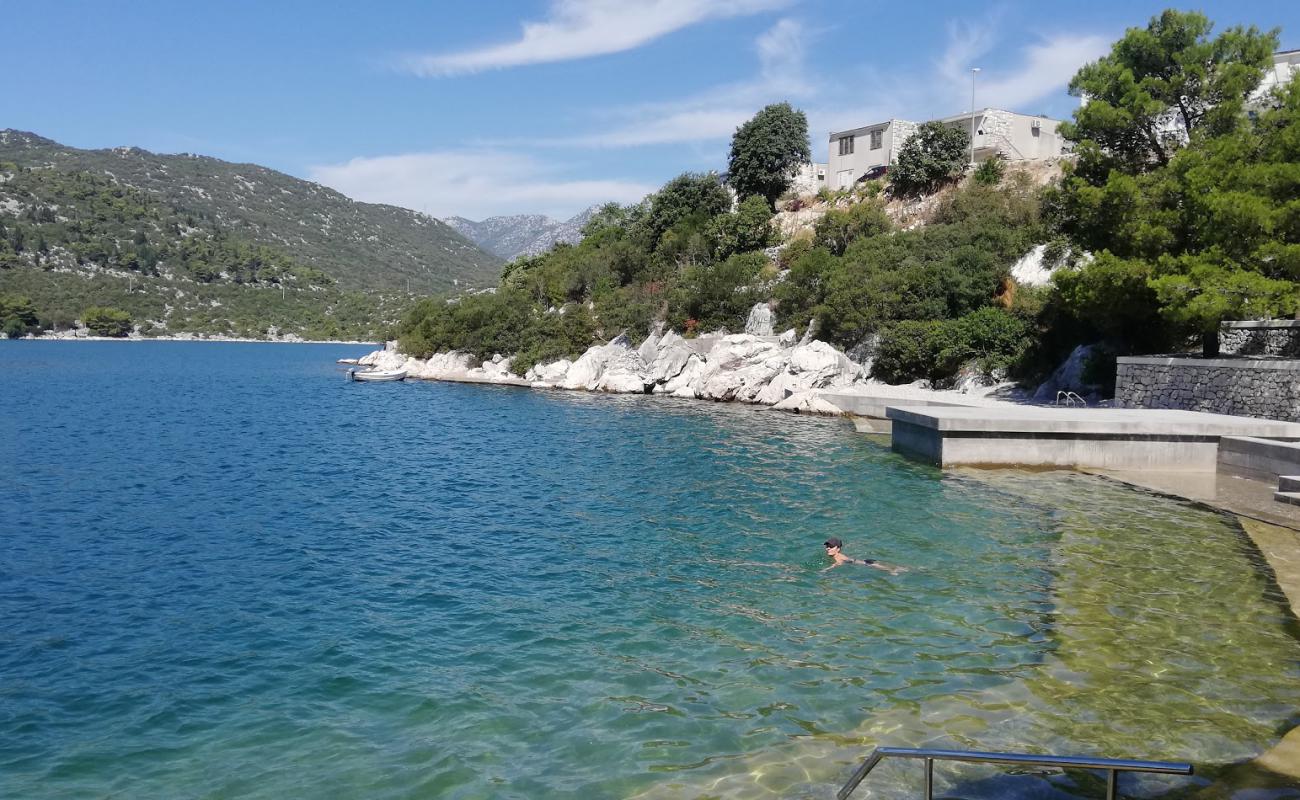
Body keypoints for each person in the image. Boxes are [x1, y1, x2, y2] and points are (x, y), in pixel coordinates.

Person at [823, 537, 905, 575]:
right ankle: (897, 568)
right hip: (863, 561)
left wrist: (827, 569)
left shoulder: (838, 556)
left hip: (864, 563)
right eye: (827, 546)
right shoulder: (835, 555)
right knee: (880, 565)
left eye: (831, 547)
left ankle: (892, 570)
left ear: (838, 549)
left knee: (879, 567)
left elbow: (838, 563)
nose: (828, 548)